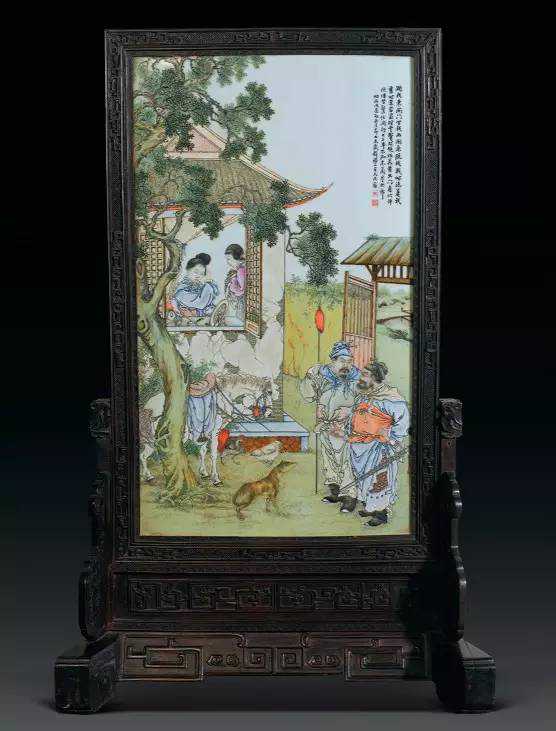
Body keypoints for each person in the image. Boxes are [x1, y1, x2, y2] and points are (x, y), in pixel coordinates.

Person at [347, 361, 409, 526]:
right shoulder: (364, 395)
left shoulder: (392, 399)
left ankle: (381, 514)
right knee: (364, 480)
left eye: (365, 375)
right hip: (359, 445)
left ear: (375, 377)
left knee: (379, 480)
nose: (361, 378)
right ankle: (370, 507)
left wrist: (389, 435)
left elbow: (402, 424)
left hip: (379, 448)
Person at [300, 341, 360, 509]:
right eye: (342, 361)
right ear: (333, 361)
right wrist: (309, 377)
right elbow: (308, 396)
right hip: (325, 424)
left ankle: (350, 495)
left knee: (345, 459)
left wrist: (350, 411)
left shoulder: (357, 378)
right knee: (329, 458)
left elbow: (366, 401)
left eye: (349, 361)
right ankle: (336, 491)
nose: (346, 365)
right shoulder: (322, 375)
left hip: (345, 426)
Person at [169, 253, 219, 319]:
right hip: (185, 308)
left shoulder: (202, 285)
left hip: (198, 310)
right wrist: (176, 308)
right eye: (196, 272)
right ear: (188, 270)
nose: (198, 276)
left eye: (201, 274)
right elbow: (175, 298)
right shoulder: (184, 284)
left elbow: (209, 303)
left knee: (209, 288)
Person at [223, 244, 246, 323]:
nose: (227, 262)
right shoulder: (239, 269)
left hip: (242, 303)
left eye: (229, 259)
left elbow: (241, 290)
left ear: (237, 258)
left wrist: (232, 285)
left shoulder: (241, 270)